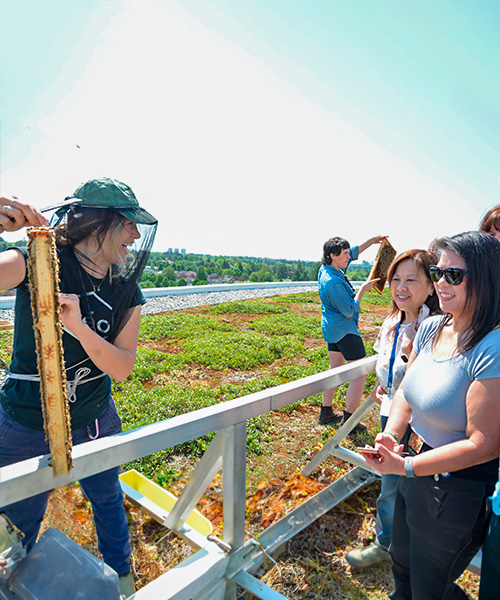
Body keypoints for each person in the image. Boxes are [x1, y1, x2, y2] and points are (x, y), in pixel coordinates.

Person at [0, 178, 157, 598]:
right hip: (25, 419)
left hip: (95, 417)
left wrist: (79, 328)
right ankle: (10, 582)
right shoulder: (40, 257)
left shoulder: (127, 288)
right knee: (17, 517)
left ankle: (120, 580)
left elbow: (122, 366)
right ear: (97, 224)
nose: (135, 236)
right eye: (127, 223)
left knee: (108, 500)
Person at [363, 231, 500, 600]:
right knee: (402, 564)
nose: (441, 282)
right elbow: (407, 390)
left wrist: (405, 467)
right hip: (414, 466)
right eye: (439, 271)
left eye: (453, 275)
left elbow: (483, 445)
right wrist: (392, 435)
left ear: (487, 279)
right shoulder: (431, 327)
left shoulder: (493, 346)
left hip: (453, 490)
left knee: (429, 587)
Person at [346, 249, 439, 568]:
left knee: (418, 484)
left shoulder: (438, 328)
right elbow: (386, 361)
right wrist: (381, 384)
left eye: (411, 280)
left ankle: (412, 544)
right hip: (392, 414)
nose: (401, 286)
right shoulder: (391, 321)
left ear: (431, 286)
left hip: (424, 421)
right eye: (396, 279)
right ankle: (386, 544)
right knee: (390, 483)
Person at [317, 235, 385, 427]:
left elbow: (354, 252)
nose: (349, 257)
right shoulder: (333, 282)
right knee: (359, 373)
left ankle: (326, 412)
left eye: (348, 253)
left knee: (334, 370)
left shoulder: (327, 269)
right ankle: (350, 421)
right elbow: (348, 311)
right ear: (333, 255)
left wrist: (372, 241)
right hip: (345, 331)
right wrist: (363, 289)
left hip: (331, 329)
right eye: (345, 254)